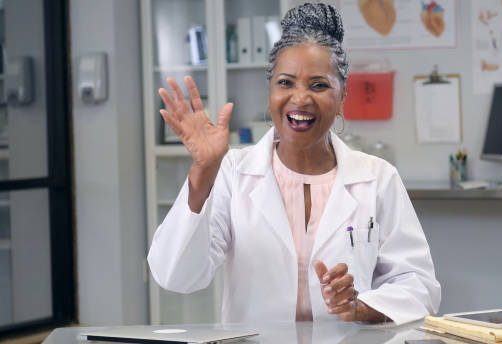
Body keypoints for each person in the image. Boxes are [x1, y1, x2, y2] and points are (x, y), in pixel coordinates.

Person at [148, 2, 440, 325]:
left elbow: (420, 287)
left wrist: (360, 306)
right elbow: (175, 275)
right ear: (270, 91)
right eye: (285, 83)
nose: (300, 98)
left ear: (343, 96)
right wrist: (202, 172)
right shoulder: (233, 172)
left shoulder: (378, 178)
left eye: (319, 85)